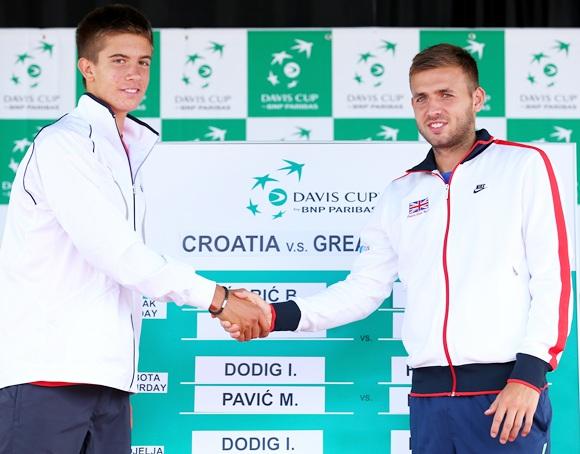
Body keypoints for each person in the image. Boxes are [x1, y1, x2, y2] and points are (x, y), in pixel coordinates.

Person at [223, 43, 571, 453]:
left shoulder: (524, 165)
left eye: (446, 94)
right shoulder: (399, 193)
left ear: (477, 99)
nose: (433, 108)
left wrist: (528, 378)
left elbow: (554, 279)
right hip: (428, 400)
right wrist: (272, 314)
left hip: (505, 396)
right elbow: (363, 290)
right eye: (421, 98)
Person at [0, 5, 269, 454]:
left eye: (143, 61)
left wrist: (117, 377)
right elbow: (116, 253)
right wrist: (219, 299)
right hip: (48, 376)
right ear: (87, 68)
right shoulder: (66, 143)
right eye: (118, 61)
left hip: (105, 381)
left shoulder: (133, 147)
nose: (135, 74)